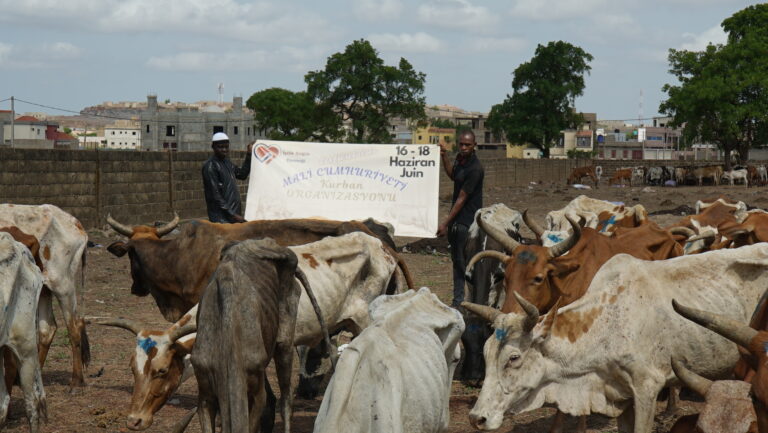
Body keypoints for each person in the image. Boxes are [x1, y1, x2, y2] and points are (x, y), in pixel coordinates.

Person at [437, 130, 484, 307]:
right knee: (457, 262)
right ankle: (458, 301)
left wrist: (444, 223)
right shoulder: (460, 160)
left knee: (467, 264)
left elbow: (461, 198)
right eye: (461, 144)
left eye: (467, 145)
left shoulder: (475, 168)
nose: (463, 148)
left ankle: (469, 302)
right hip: (456, 222)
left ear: (474, 146)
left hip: (468, 221)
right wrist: (444, 157)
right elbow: (453, 176)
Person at [202, 133, 253, 223]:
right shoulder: (210, 166)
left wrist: (249, 154)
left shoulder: (227, 162)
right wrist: (232, 214)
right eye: (220, 147)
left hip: (233, 215)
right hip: (221, 217)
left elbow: (242, 174)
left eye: (226, 147)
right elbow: (215, 195)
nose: (224, 150)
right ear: (213, 147)